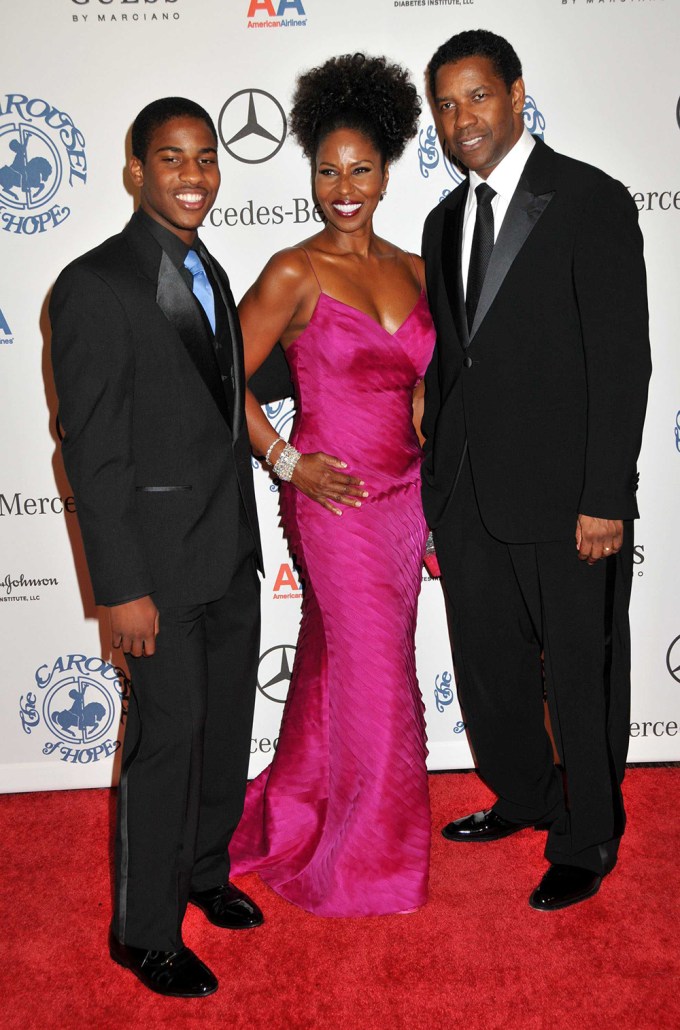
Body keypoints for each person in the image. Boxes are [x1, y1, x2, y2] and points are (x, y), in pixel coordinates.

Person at [421, 30, 651, 910]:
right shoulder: (445, 221)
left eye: (476, 97)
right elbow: (453, 364)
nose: (461, 119)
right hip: (471, 494)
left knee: (582, 669)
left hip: (568, 499)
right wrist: (440, 486)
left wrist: (604, 496)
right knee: (490, 666)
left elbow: (622, 359)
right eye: (445, 105)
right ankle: (522, 795)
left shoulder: (590, 200)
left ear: (517, 94)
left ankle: (589, 833)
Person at [50, 98, 265, 998]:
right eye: (171, 158)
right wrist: (122, 588)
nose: (193, 175)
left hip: (229, 550)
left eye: (206, 158)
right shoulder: (94, 285)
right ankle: (143, 932)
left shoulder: (209, 263)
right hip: (158, 569)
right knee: (165, 742)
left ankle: (204, 874)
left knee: (223, 738)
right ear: (135, 170)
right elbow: (90, 454)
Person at [229, 54, 436, 917]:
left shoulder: (421, 271)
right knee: (381, 676)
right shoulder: (293, 271)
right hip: (332, 500)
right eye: (326, 170)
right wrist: (283, 458)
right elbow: (216, 382)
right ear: (308, 171)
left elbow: (427, 383)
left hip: (407, 499)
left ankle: (296, 809)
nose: (342, 188)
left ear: (387, 171)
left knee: (333, 664)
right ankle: (369, 862)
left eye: (359, 170)